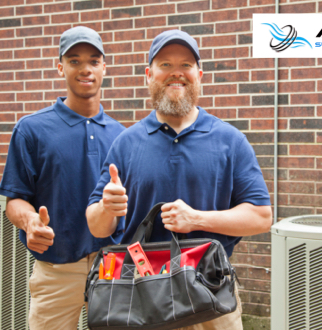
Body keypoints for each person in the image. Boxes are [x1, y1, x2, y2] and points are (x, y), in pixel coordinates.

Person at [86, 30, 272, 329]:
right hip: (139, 295)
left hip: (210, 295)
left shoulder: (230, 141)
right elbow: (97, 226)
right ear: (149, 74)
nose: (176, 73)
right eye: (165, 65)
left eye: (185, 65)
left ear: (200, 74)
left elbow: (261, 217)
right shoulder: (126, 143)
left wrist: (197, 219)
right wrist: (107, 208)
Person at [0, 26, 126, 329]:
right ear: (60, 67)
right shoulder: (31, 130)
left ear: (104, 67)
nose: (85, 69)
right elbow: (15, 200)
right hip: (56, 267)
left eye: (94, 61)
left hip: (112, 264)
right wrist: (30, 221)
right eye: (74, 61)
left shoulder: (123, 137)